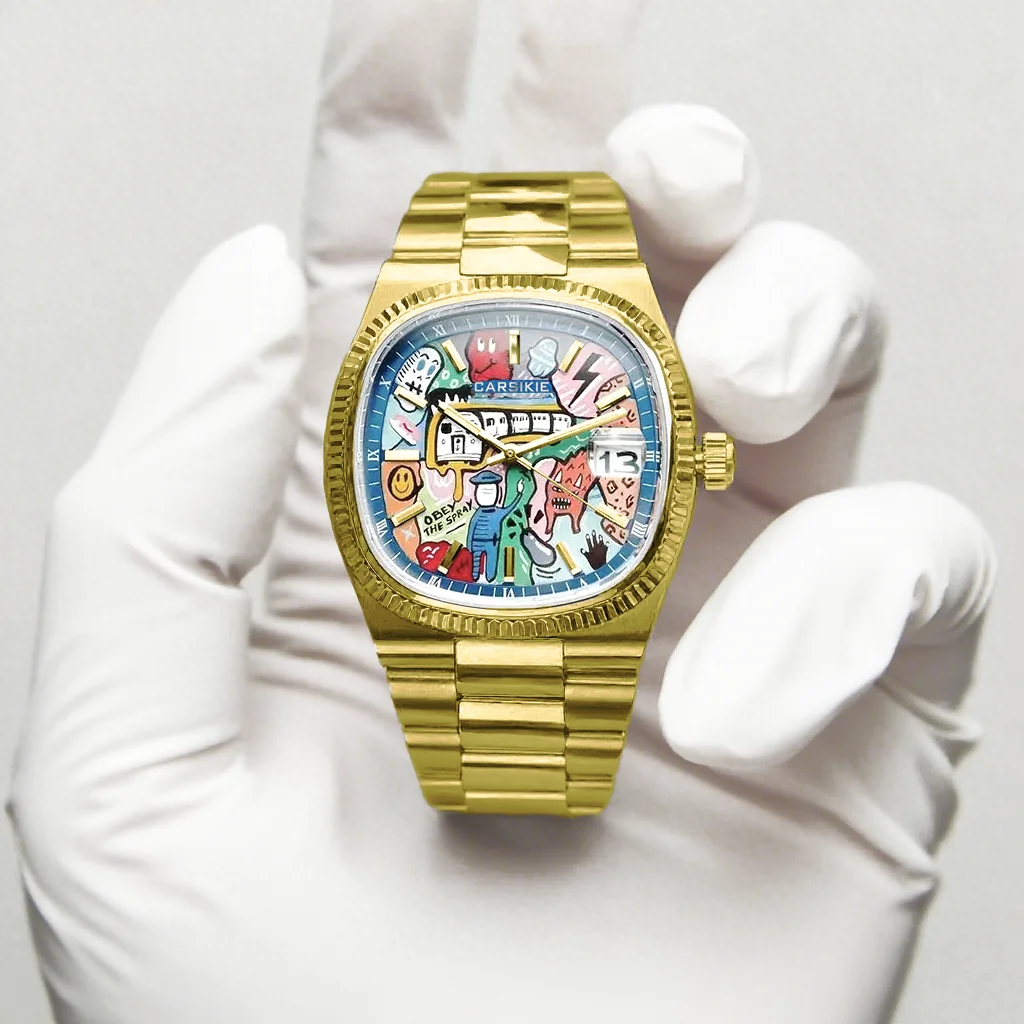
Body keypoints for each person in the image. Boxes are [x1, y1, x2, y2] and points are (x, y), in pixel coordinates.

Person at [6, 3, 997, 1023]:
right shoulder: (434, 483)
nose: (514, 460)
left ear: (685, 465)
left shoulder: (521, 459)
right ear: (348, 468)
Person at [466, 469, 522, 582]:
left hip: (492, 543)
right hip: (478, 543)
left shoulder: (497, 512)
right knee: (475, 564)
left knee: (491, 563)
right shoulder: (478, 514)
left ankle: (490, 578)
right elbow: (471, 529)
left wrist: (519, 494)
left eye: (490, 491)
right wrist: (469, 547)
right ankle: (475, 578)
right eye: (483, 491)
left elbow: (510, 508)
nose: (487, 494)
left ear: (497, 492)